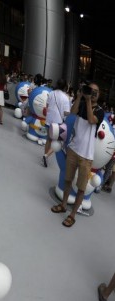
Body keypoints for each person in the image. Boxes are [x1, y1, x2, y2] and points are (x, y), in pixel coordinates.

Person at [50, 82, 104, 227]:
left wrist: (87, 101)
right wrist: (80, 96)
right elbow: (72, 112)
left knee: (81, 187)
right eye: (90, 90)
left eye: (95, 91)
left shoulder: (99, 111)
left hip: (86, 155)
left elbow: (92, 120)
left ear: (99, 95)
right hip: (73, 149)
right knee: (67, 180)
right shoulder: (81, 104)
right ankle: (63, 205)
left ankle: (72, 214)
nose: (92, 93)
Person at [42, 78, 70, 167]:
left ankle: (45, 155)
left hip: (49, 120)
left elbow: (47, 105)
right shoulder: (66, 98)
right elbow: (66, 112)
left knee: (48, 140)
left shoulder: (51, 93)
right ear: (65, 86)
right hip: (58, 122)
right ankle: (46, 156)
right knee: (59, 142)